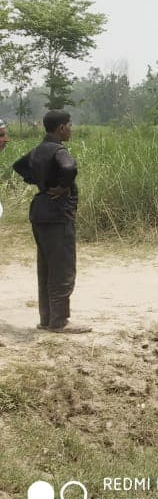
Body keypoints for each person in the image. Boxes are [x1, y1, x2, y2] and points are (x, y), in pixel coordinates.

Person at [12, 110, 89, 333]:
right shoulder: (59, 150)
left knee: (45, 267)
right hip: (57, 213)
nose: (71, 129)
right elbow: (69, 167)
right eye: (69, 125)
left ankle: (46, 319)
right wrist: (63, 186)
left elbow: (19, 166)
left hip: (39, 211)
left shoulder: (37, 150)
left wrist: (41, 183)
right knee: (62, 268)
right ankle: (60, 321)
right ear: (61, 128)